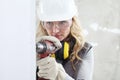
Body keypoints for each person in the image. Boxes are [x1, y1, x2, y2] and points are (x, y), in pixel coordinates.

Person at [36, 0, 94, 80]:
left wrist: (61, 75)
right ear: (43, 24)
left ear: (72, 22)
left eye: (62, 22)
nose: (55, 30)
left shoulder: (84, 50)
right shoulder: (38, 47)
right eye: (49, 23)